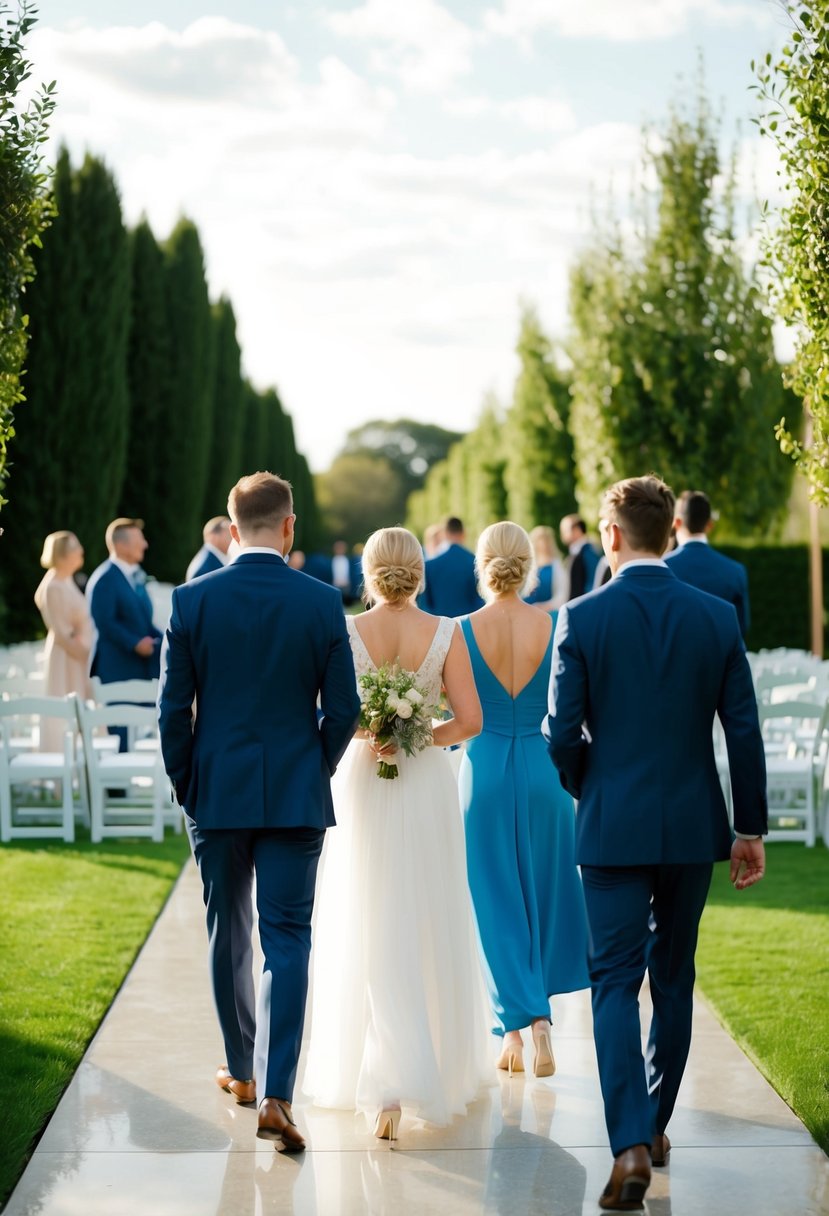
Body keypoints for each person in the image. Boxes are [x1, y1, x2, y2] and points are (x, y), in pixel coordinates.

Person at [545, 475, 767, 1211]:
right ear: (670, 530)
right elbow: (742, 727)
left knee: (612, 982)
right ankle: (655, 1122)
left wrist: (589, 786)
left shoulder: (581, 618)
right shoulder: (714, 617)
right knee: (671, 978)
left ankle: (630, 1143)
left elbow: (560, 732)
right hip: (689, 826)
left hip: (610, 825)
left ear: (610, 536)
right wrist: (749, 828)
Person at [158, 472, 360, 1154]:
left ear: (231, 524)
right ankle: (277, 1093)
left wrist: (189, 784)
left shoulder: (191, 601)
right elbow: (344, 710)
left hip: (217, 790)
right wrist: (315, 764)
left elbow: (171, 712)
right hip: (293, 792)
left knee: (228, 932)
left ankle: (242, 1074)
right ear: (290, 527)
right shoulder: (320, 600)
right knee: (288, 939)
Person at [305, 526, 491, 1140]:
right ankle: (418, 1070)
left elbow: (336, 718)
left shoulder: (348, 630)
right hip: (425, 784)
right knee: (424, 915)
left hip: (363, 781)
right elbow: (469, 721)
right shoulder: (447, 632)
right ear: (419, 570)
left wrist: (376, 732)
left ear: (368, 570)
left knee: (367, 914)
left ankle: (379, 1086)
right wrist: (414, 732)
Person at [459, 522, 589, 1080]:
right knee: (547, 894)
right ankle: (536, 1027)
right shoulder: (557, 623)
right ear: (530, 565)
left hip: (484, 771)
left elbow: (453, 710)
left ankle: (515, 1027)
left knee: (494, 901)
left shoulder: (461, 629)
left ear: (482, 565)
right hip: (545, 771)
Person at [33, 531, 93, 749]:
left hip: (77, 657)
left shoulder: (65, 581)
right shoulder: (53, 586)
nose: (81, 551)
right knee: (63, 708)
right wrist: (88, 653)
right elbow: (62, 632)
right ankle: (62, 771)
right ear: (62, 554)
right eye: (76, 547)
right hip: (66, 657)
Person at [665, 490, 751, 638]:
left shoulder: (663, 567)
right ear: (709, 525)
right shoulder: (736, 571)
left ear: (677, 523)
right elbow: (742, 627)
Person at [420, 516, 484, 617]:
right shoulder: (475, 562)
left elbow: (424, 605)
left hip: (439, 628)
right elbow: (480, 600)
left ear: (445, 534)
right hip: (469, 628)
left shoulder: (429, 566)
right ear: (464, 533)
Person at [523, 525, 569, 611]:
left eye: (546, 540)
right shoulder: (528, 565)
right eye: (540, 540)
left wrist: (545, 606)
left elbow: (562, 594)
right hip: (527, 612)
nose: (543, 544)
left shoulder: (557, 565)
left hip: (549, 613)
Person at [559, 515, 599, 601]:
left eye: (565, 530)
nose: (562, 534)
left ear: (577, 530)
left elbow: (593, 583)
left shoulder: (589, 552)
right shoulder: (575, 553)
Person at [185, 516, 232, 582]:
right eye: (229, 534)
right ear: (214, 536)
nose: (233, 538)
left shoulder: (213, 559)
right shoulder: (203, 569)